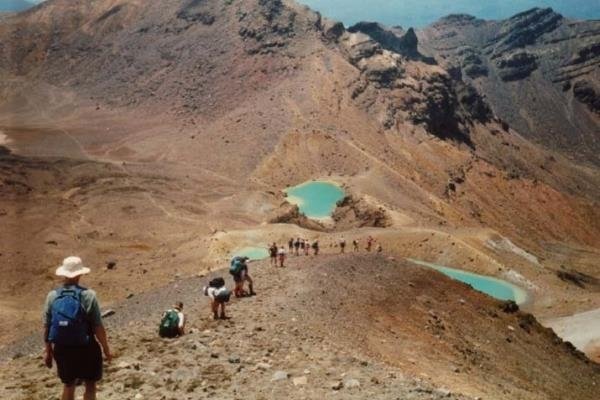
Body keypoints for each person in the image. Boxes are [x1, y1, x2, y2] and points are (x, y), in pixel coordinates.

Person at [43, 256, 112, 400]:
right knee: (90, 385)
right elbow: (97, 326)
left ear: (63, 274)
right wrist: (106, 348)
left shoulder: (52, 296)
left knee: (68, 385)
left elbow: (47, 326)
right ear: (80, 274)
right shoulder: (89, 295)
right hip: (86, 346)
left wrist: (48, 352)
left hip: (62, 348)